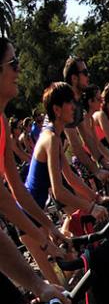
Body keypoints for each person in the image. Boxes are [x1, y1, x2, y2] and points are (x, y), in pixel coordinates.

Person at [0, 40, 71, 282]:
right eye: (13, 63)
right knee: (50, 290)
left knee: (55, 289)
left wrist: (49, 229)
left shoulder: (1, 120)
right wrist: (42, 238)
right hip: (20, 225)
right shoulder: (49, 136)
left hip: (27, 216)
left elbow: (17, 190)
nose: (19, 69)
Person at [26, 83, 106, 228]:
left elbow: (71, 178)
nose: (74, 107)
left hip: (35, 211)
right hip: (29, 216)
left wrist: (97, 198)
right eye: (69, 102)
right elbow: (58, 192)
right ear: (57, 109)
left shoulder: (55, 136)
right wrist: (91, 208)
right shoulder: (51, 138)